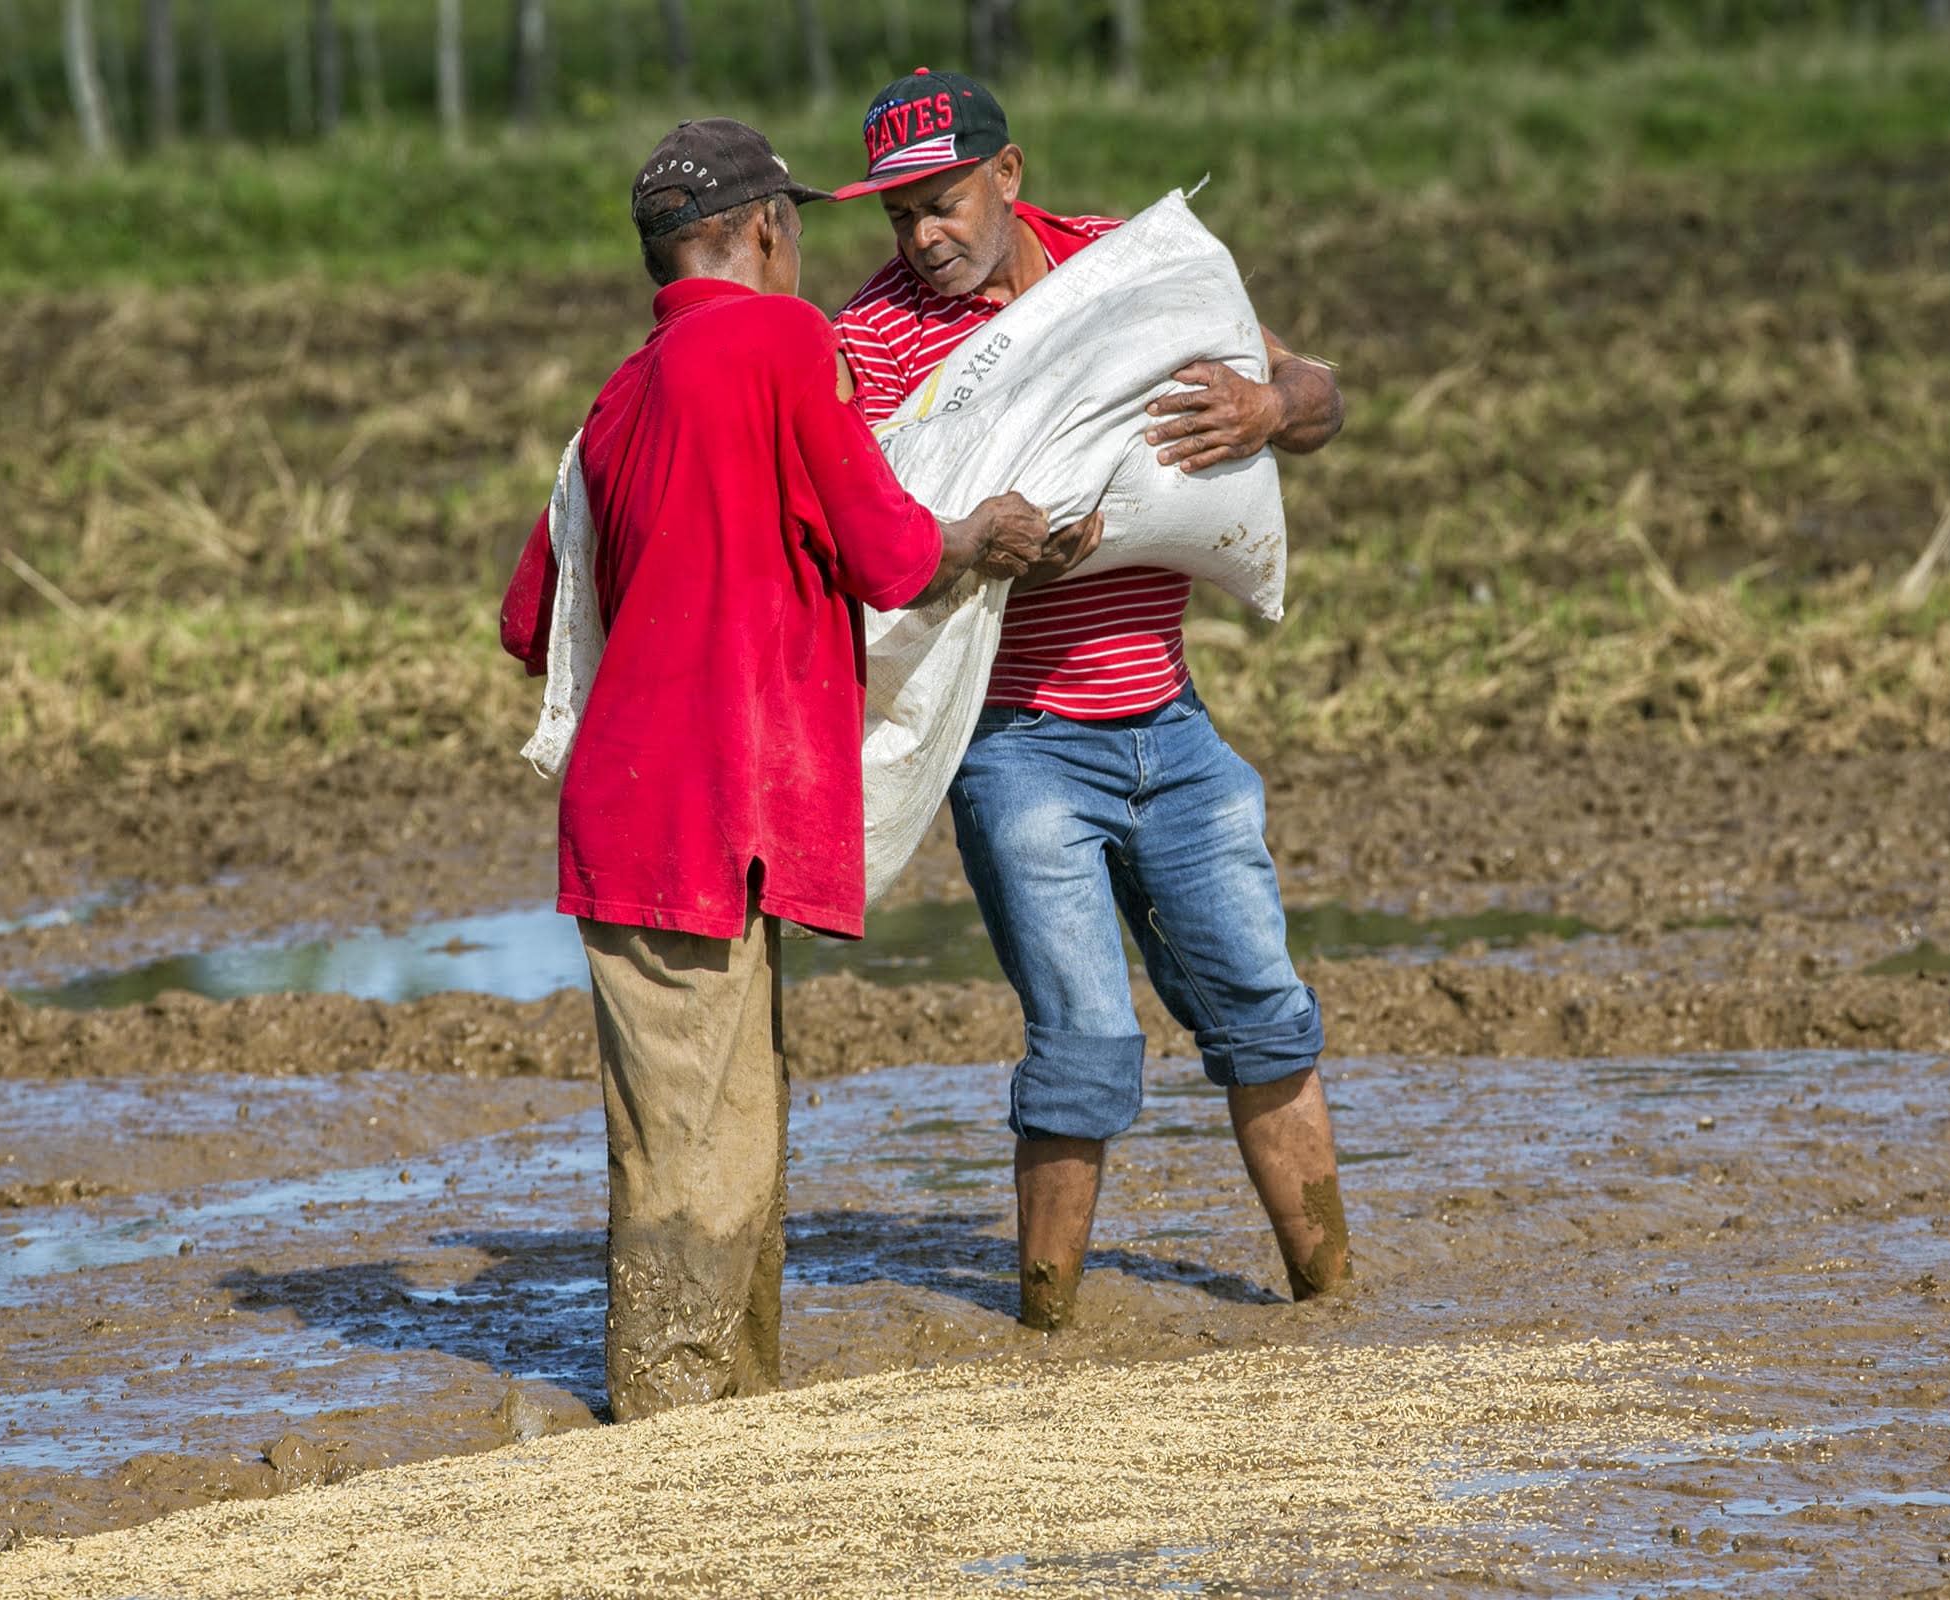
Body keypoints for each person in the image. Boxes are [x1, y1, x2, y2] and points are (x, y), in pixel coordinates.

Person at [499, 118, 1060, 1419]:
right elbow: (888, 552)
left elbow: (532, 619)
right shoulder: (780, 340)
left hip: (662, 816)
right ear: (763, 230)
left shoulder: (619, 398)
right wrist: (976, 530)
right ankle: (669, 1415)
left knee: (717, 1120)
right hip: (700, 811)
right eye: (798, 225)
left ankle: (729, 1408)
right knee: (697, 1140)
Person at [830, 70, 1353, 1331]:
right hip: (1015, 751)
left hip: (1171, 725)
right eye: (901, 216)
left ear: (1009, 179)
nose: (924, 238)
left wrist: (1270, 405)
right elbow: (859, 528)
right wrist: (967, 539)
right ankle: (1047, 1327)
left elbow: (1323, 391)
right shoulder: (870, 339)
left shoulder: (1126, 269)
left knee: (1267, 1013)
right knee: (1083, 1044)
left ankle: (1333, 1298)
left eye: (944, 204)